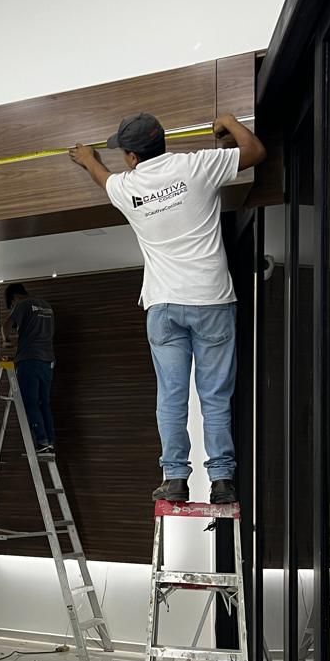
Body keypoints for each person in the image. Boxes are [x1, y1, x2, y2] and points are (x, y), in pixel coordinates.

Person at [70, 111, 265, 504]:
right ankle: (222, 480)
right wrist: (228, 120)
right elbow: (256, 151)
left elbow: (101, 177)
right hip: (211, 301)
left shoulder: (126, 187)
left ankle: (175, 477)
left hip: (164, 305)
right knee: (214, 396)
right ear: (163, 140)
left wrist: (88, 157)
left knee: (171, 396)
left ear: (130, 156)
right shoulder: (196, 165)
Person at [1, 283, 56, 457]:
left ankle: (41, 440)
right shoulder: (47, 306)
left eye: (11, 305)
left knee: (29, 402)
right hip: (48, 361)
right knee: (44, 403)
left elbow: (6, 326)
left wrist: (6, 340)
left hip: (29, 360)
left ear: (14, 298)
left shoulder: (22, 305)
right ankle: (49, 442)